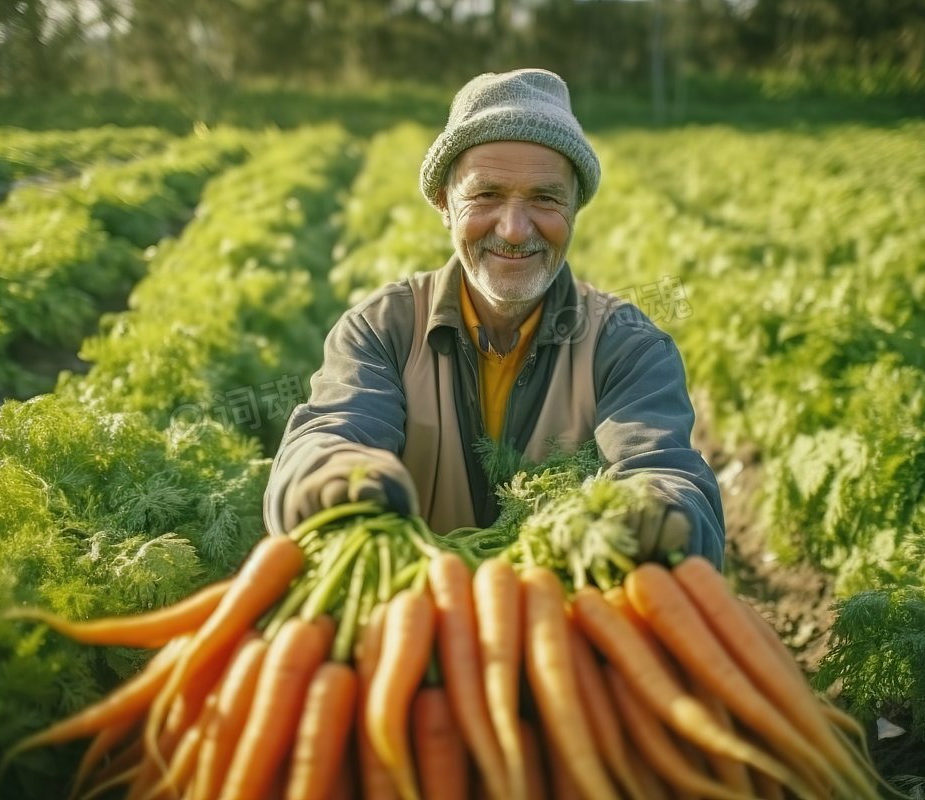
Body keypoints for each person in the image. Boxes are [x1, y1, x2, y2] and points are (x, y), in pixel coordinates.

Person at [264, 68, 724, 566]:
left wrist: (655, 512)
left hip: (571, 622)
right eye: (486, 195)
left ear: (575, 208)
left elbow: (666, 471)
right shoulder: (383, 330)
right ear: (444, 203)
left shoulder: (628, 346)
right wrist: (331, 475)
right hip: (409, 615)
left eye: (545, 199)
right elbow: (329, 432)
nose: (514, 229)